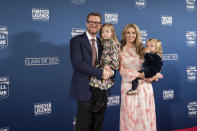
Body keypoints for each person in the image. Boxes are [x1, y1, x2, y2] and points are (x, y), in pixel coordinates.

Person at [69, 12, 112, 131]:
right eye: (91, 22)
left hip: (101, 90)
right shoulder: (76, 41)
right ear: (86, 23)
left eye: (97, 22)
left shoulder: (103, 42)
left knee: (97, 126)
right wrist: (100, 73)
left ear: (100, 25)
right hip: (84, 89)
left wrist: (111, 72)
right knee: (83, 125)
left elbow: (109, 61)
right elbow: (78, 64)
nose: (94, 24)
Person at [119, 23, 159, 131]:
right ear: (124, 34)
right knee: (130, 116)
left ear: (137, 34)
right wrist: (138, 74)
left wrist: (153, 77)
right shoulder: (120, 50)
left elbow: (154, 63)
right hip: (129, 87)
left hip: (145, 88)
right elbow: (122, 71)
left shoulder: (143, 48)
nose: (131, 35)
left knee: (144, 117)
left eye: (133, 33)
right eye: (128, 33)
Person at [89, 23, 120, 112]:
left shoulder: (113, 44)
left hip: (108, 68)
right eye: (102, 32)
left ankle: (100, 101)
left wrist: (111, 67)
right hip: (101, 66)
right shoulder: (103, 42)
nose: (104, 33)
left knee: (97, 81)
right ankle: (100, 99)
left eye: (107, 31)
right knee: (94, 82)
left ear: (112, 33)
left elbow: (115, 57)